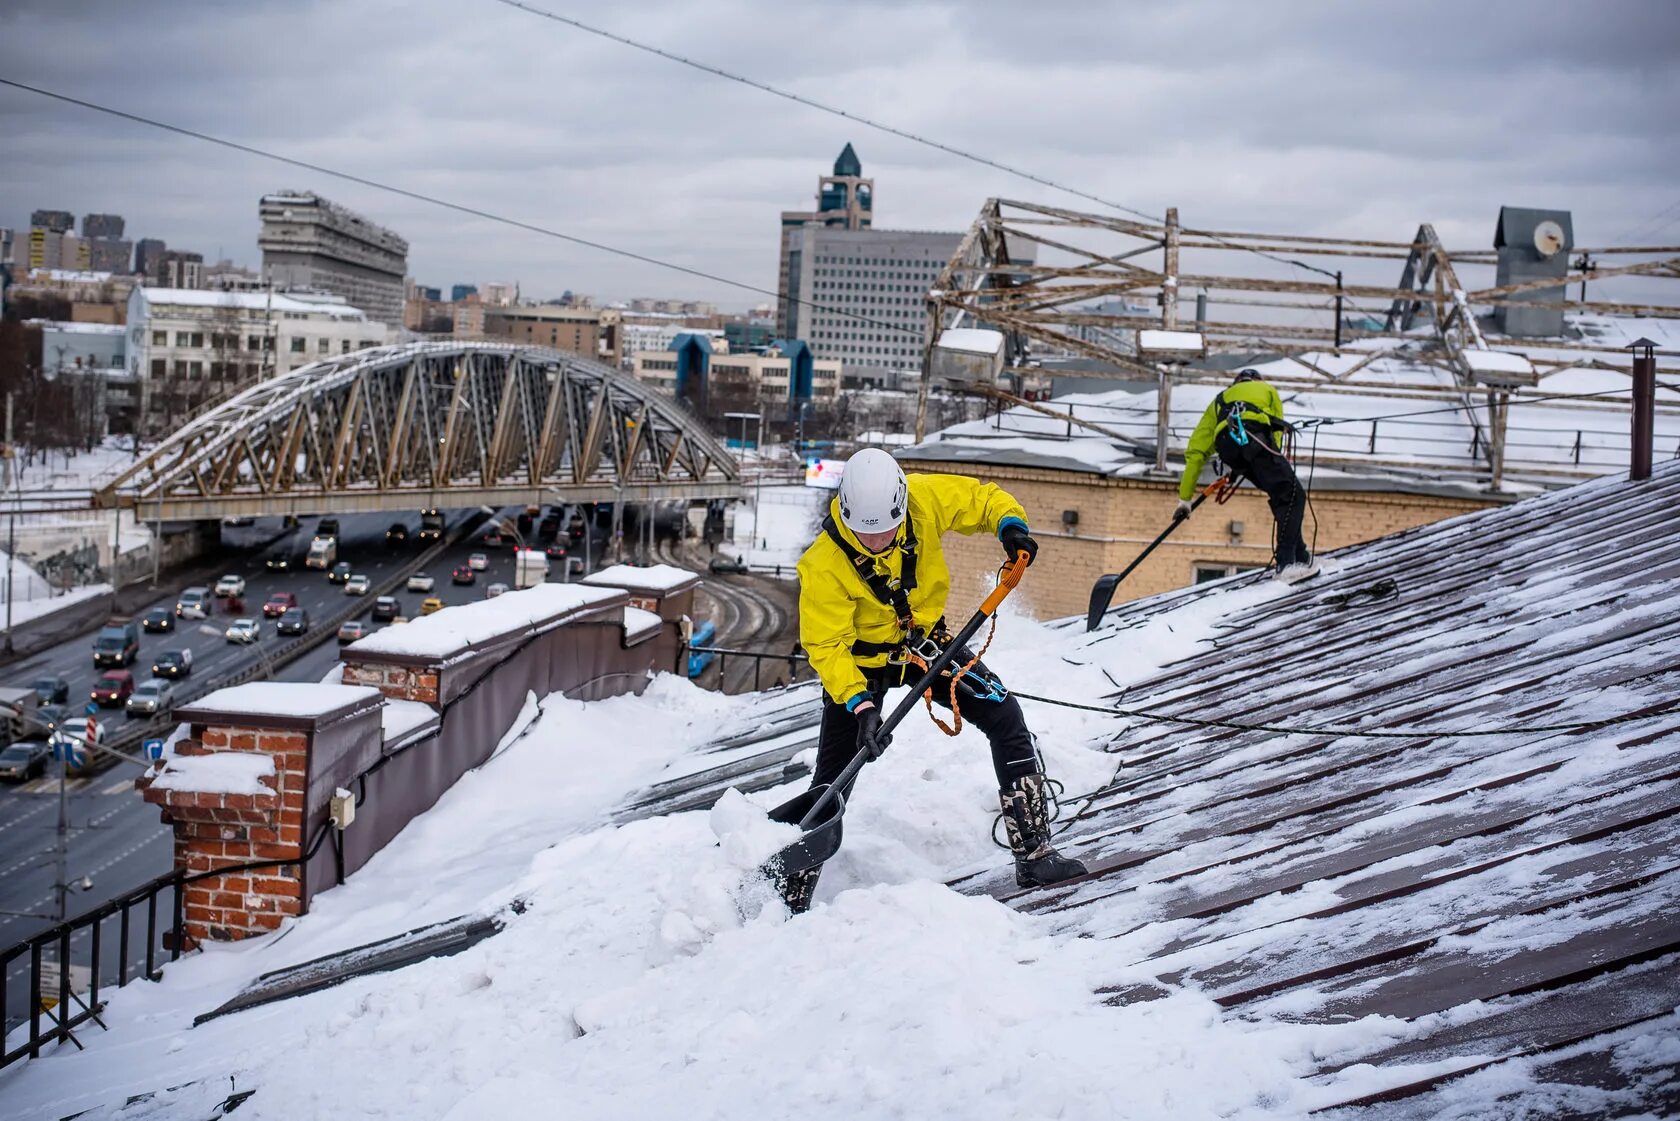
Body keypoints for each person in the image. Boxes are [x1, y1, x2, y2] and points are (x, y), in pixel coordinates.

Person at [781, 448, 1087, 912]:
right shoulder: (823, 564)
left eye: (886, 530)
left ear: (902, 505)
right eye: (866, 534)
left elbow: (981, 500)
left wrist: (1011, 527)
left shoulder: (923, 498)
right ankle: (790, 894)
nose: (878, 541)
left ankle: (1034, 852)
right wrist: (860, 705)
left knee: (1004, 714)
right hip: (859, 665)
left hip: (923, 648)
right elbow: (827, 647)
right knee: (834, 779)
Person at [1177, 369, 1318, 582]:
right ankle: (1286, 565)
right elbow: (1277, 432)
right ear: (1257, 380)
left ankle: (1301, 556)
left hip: (1228, 448)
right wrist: (1275, 462)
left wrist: (1184, 499)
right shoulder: (1266, 389)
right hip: (1254, 437)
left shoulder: (1220, 400)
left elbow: (1196, 452)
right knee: (1293, 494)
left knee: (1283, 495)